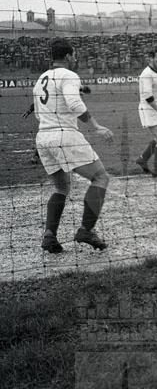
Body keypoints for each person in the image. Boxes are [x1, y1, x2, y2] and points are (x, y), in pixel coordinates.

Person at [33, 38, 114, 254]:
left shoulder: (42, 78)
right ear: (68, 56)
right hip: (64, 136)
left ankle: (49, 236)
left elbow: (39, 115)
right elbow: (75, 104)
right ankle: (86, 230)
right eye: (74, 54)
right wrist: (96, 126)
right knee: (101, 177)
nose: (75, 58)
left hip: (43, 138)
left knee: (61, 188)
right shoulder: (69, 75)